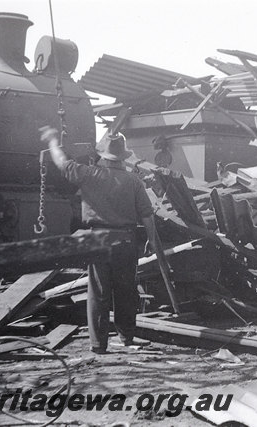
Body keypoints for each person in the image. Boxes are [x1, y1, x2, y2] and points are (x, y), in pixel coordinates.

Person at [40, 127, 159, 354]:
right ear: (123, 157)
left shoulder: (89, 174)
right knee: (126, 291)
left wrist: (54, 143)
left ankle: (98, 344)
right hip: (125, 241)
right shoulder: (134, 181)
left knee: (98, 293)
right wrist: (152, 242)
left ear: (103, 156)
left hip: (98, 240)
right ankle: (127, 338)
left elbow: (63, 165)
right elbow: (147, 215)